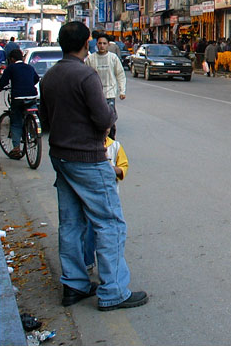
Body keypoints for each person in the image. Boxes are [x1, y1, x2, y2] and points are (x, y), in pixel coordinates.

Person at [38, 21, 147, 311]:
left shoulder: (50, 76)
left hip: (61, 157)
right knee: (109, 222)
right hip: (87, 158)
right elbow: (103, 118)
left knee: (71, 223)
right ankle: (114, 291)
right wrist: (109, 116)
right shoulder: (86, 75)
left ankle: (74, 285)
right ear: (85, 43)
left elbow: (45, 120)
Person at [84, 134, 129, 271]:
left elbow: (123, 168)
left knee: (108, 232)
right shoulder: (86, 145)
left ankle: (109, 267)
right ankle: (87, 261)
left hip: (109, 197)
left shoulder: (115, 146)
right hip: (89, 196)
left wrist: (111, 168)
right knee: (88, 230)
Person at [0, 49, 40, 159]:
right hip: (32, 97)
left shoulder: (11, 68)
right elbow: (36, 79)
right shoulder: (29, 67)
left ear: (12, 59)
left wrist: (0, 88)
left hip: (18, 98)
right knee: (32, 112)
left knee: (16, 122)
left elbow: (3, 82)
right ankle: (33, 129)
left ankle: (16, 148)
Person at [85, 34, 126, 140]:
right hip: (95, 95)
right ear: (96, 44)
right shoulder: (90, 59)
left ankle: (111, 141)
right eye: (100, 43)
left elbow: (120, 74)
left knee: (110, 119)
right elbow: (85, 76)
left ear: (108, 45)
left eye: (104, 43)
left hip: (110, 94)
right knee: (96, 119)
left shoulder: (113, 58)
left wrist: (122, 91)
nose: (102, 46)